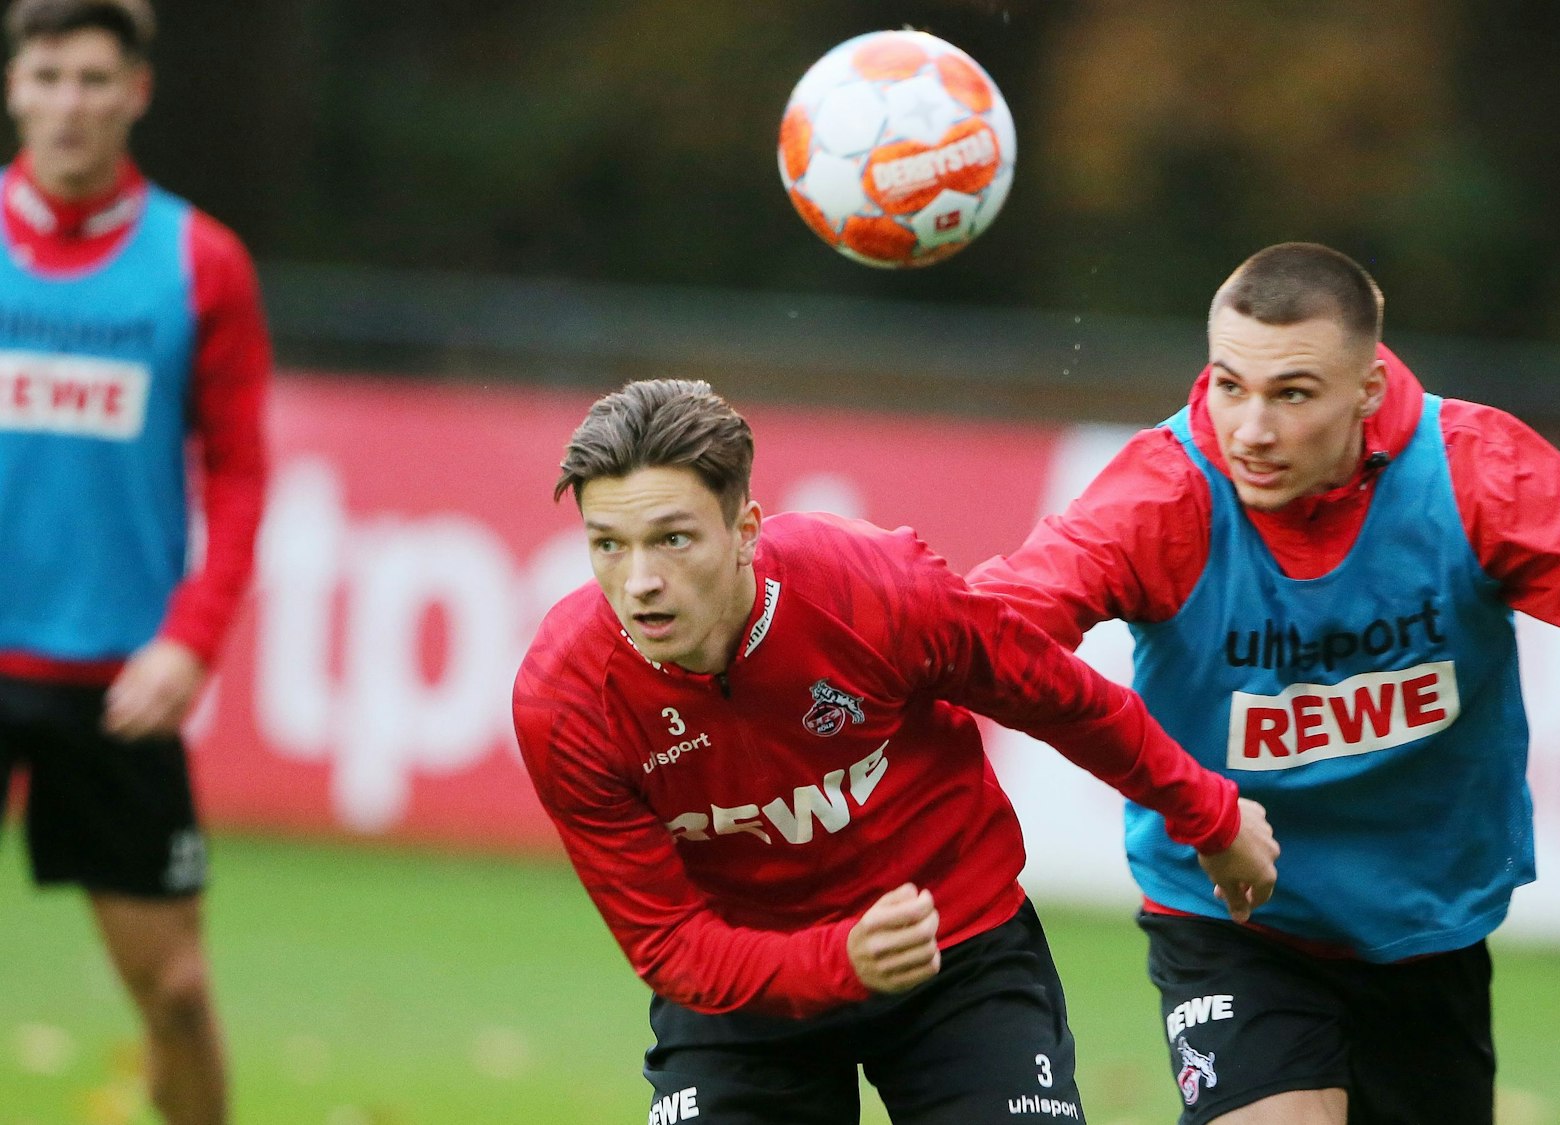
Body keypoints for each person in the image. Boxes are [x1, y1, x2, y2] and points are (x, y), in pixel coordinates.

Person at [966, 241, 1560, 1125]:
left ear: (1367, 385)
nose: (1250, 430)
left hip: (1424, 928)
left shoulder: (1479, 479)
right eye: (1228, 386)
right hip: (1234, 921)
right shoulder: (1159, 496)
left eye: (1293, 394)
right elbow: (987, 638)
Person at [511, 378, 1279, 1125]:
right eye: (607, 544)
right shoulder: (566, 700)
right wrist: (839, 960)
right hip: (743, 987)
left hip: (955, 944)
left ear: (744, 529)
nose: (640, 580)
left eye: (672, 538)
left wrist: (1208, 812)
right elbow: (671, 943)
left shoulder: (870, 585)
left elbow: (1058, 696)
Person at [0, 2, 270, 1123]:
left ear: (137, 92)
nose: (70, 103)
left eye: (93, 80)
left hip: (117, 688)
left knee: (176, 993)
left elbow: (242, 473)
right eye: (49, 75)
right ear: (15, 86)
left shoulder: (197, 261)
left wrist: (190, 640)